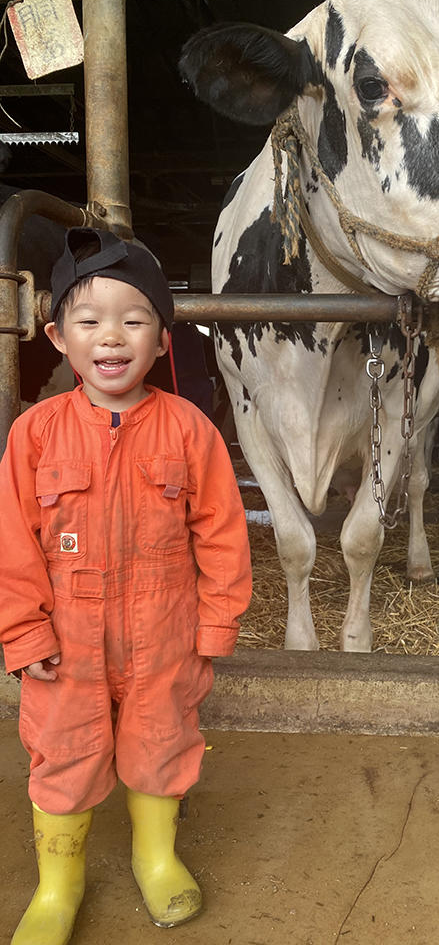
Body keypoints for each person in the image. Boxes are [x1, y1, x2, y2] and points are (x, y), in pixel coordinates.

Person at [0, 227, 253, 944]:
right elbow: (12, 543)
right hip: (65, 640)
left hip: (164, 632)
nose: (111, 337)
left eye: (134, 320)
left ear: (163, 339)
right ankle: (59, 885)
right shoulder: (35, 432)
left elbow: (222, 531)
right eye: (89, 321)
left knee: (161, 742)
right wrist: (23, 632)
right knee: (63, 752)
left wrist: (216, 622)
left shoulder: (190, 429)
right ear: (58, 337)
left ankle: (156, 858)